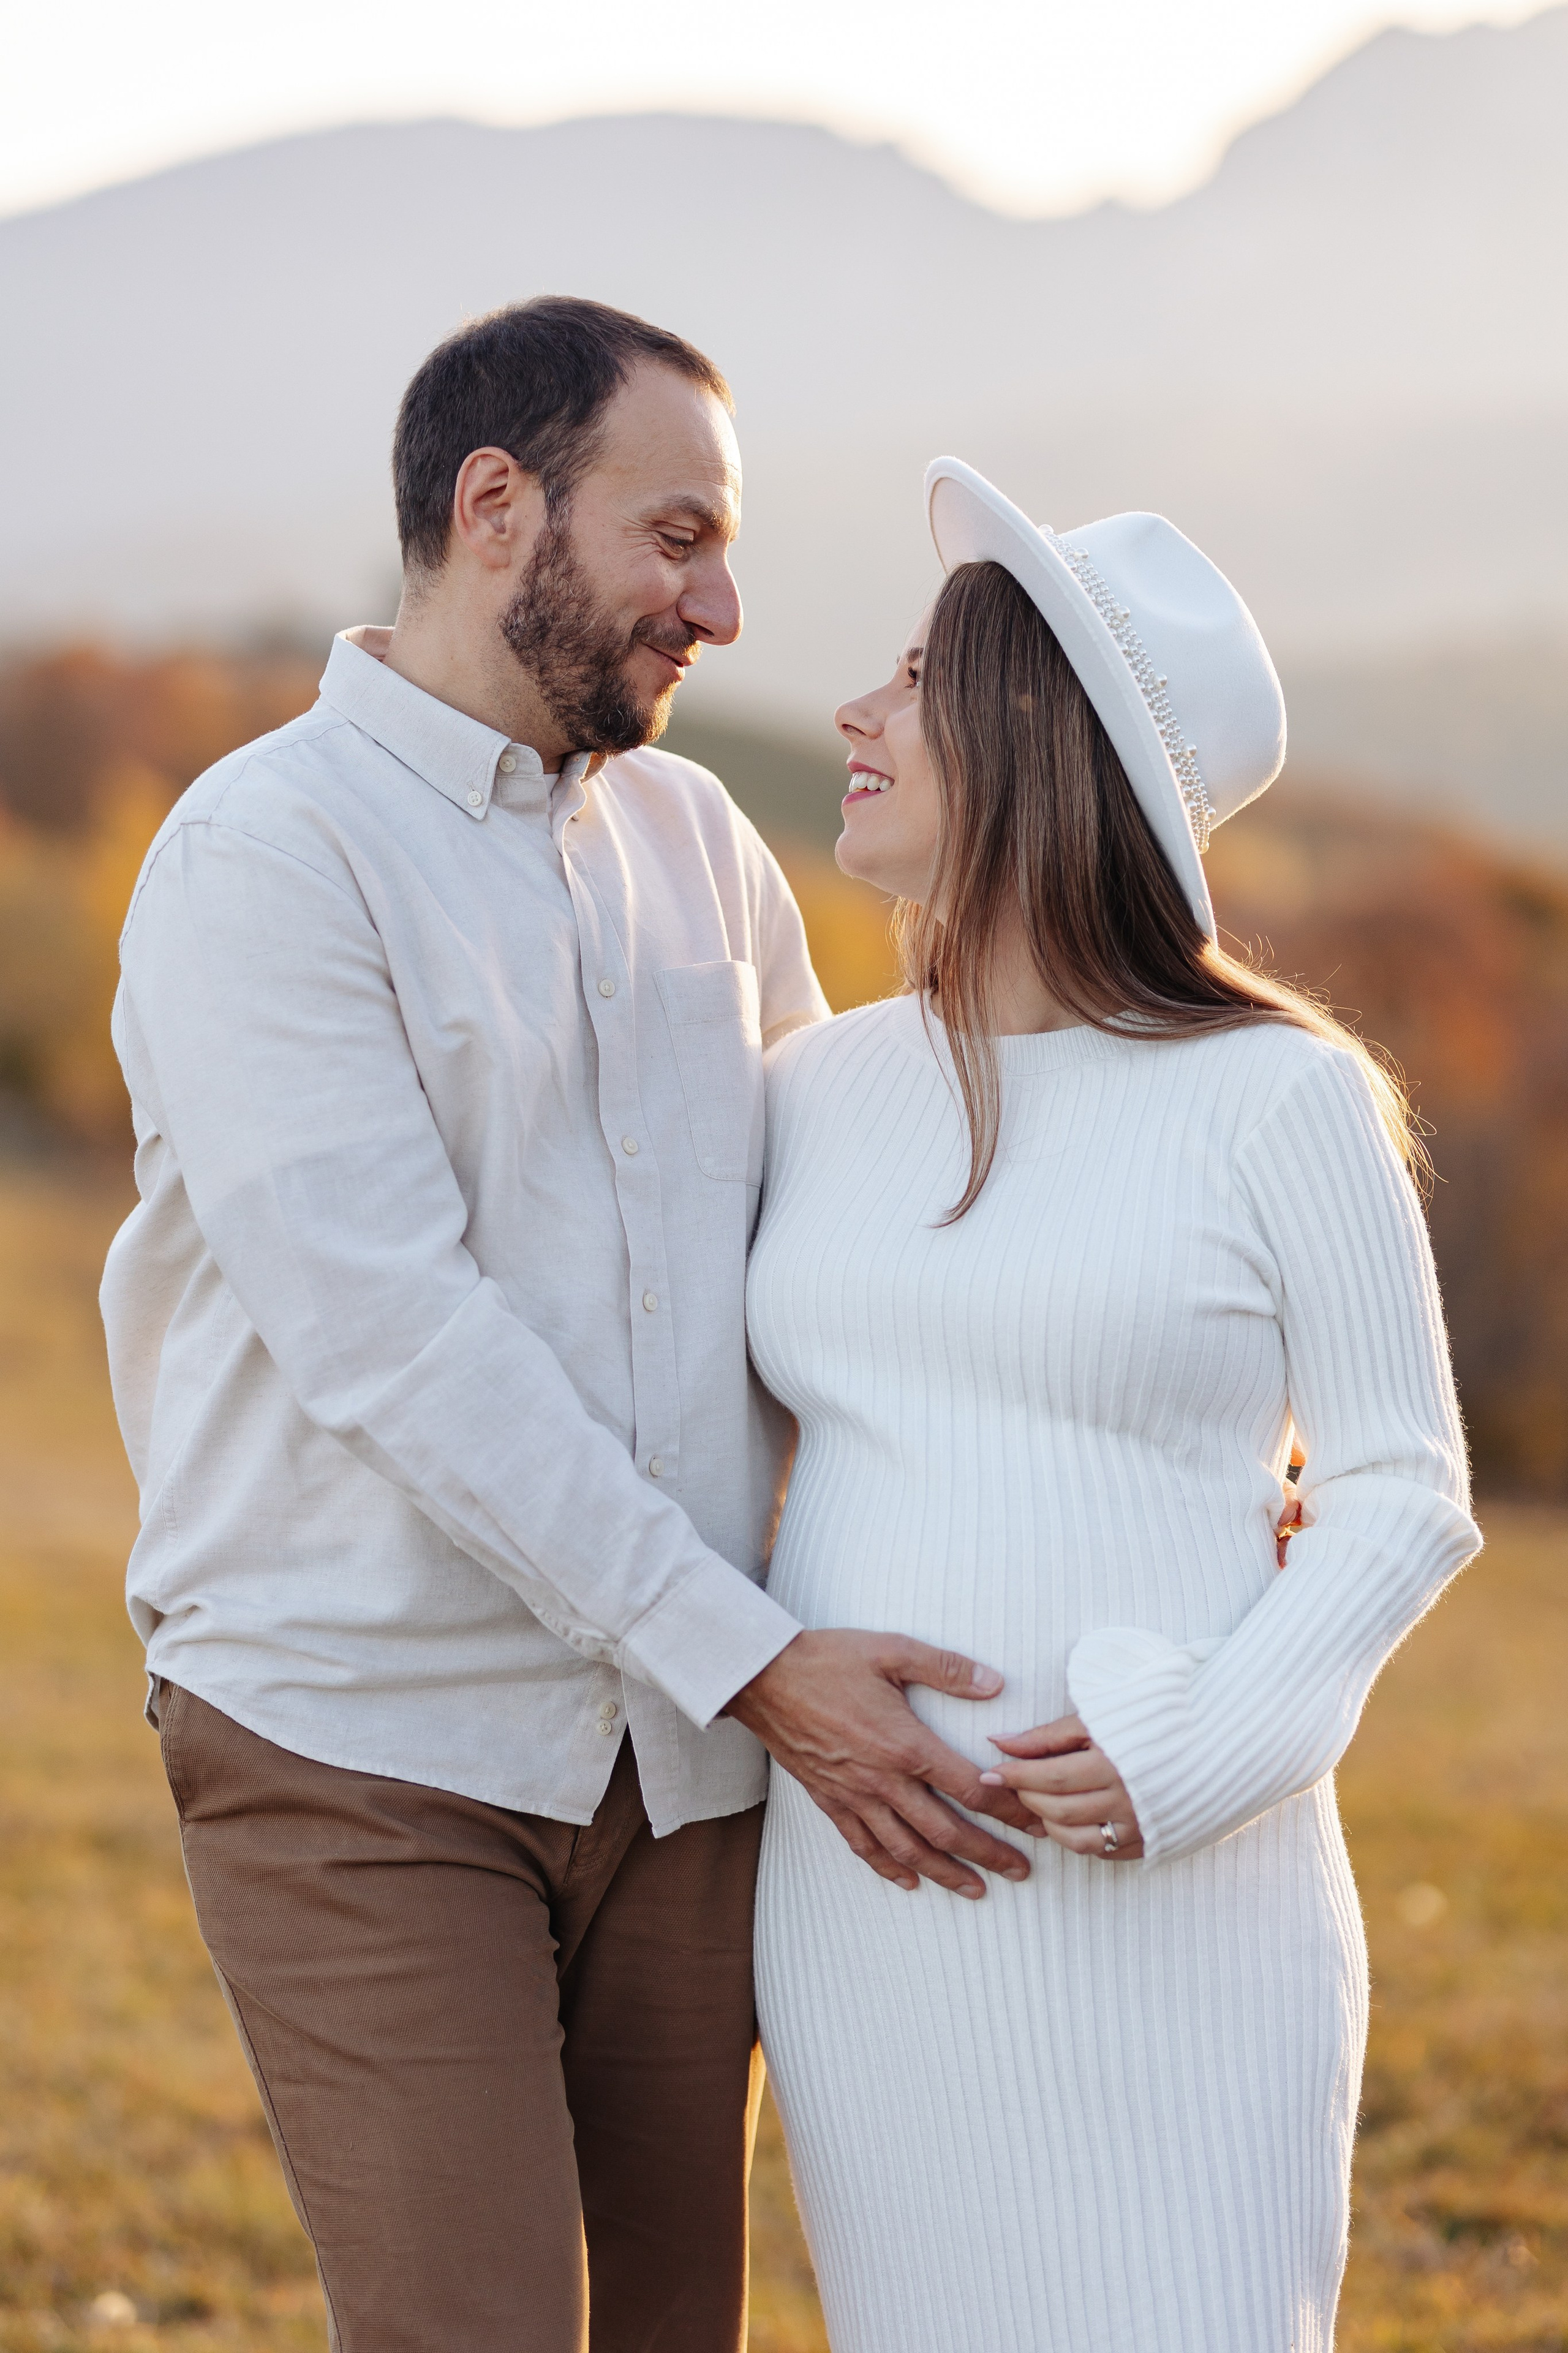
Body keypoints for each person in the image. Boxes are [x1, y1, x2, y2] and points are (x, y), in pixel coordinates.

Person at [100, 309, 1036, 2353]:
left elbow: (851, 1232)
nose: (721, 602)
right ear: (493, 506)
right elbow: (397, 1341)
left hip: (686, 1766)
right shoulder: (265, 856)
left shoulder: (699, 846)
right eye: (676, 533)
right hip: (370, 1742)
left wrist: (1206, 1418)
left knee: (674, 2331)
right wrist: (763, 1656)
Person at [747, 458, 1482, 2353]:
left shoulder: (1281, 1098)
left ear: (1034, 736)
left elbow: (1408, 1486)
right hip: (868, 1903)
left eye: (916, 675)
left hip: (1179, 1897)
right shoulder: (812, 1091)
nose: (856, 709)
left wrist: (1209, 1739)